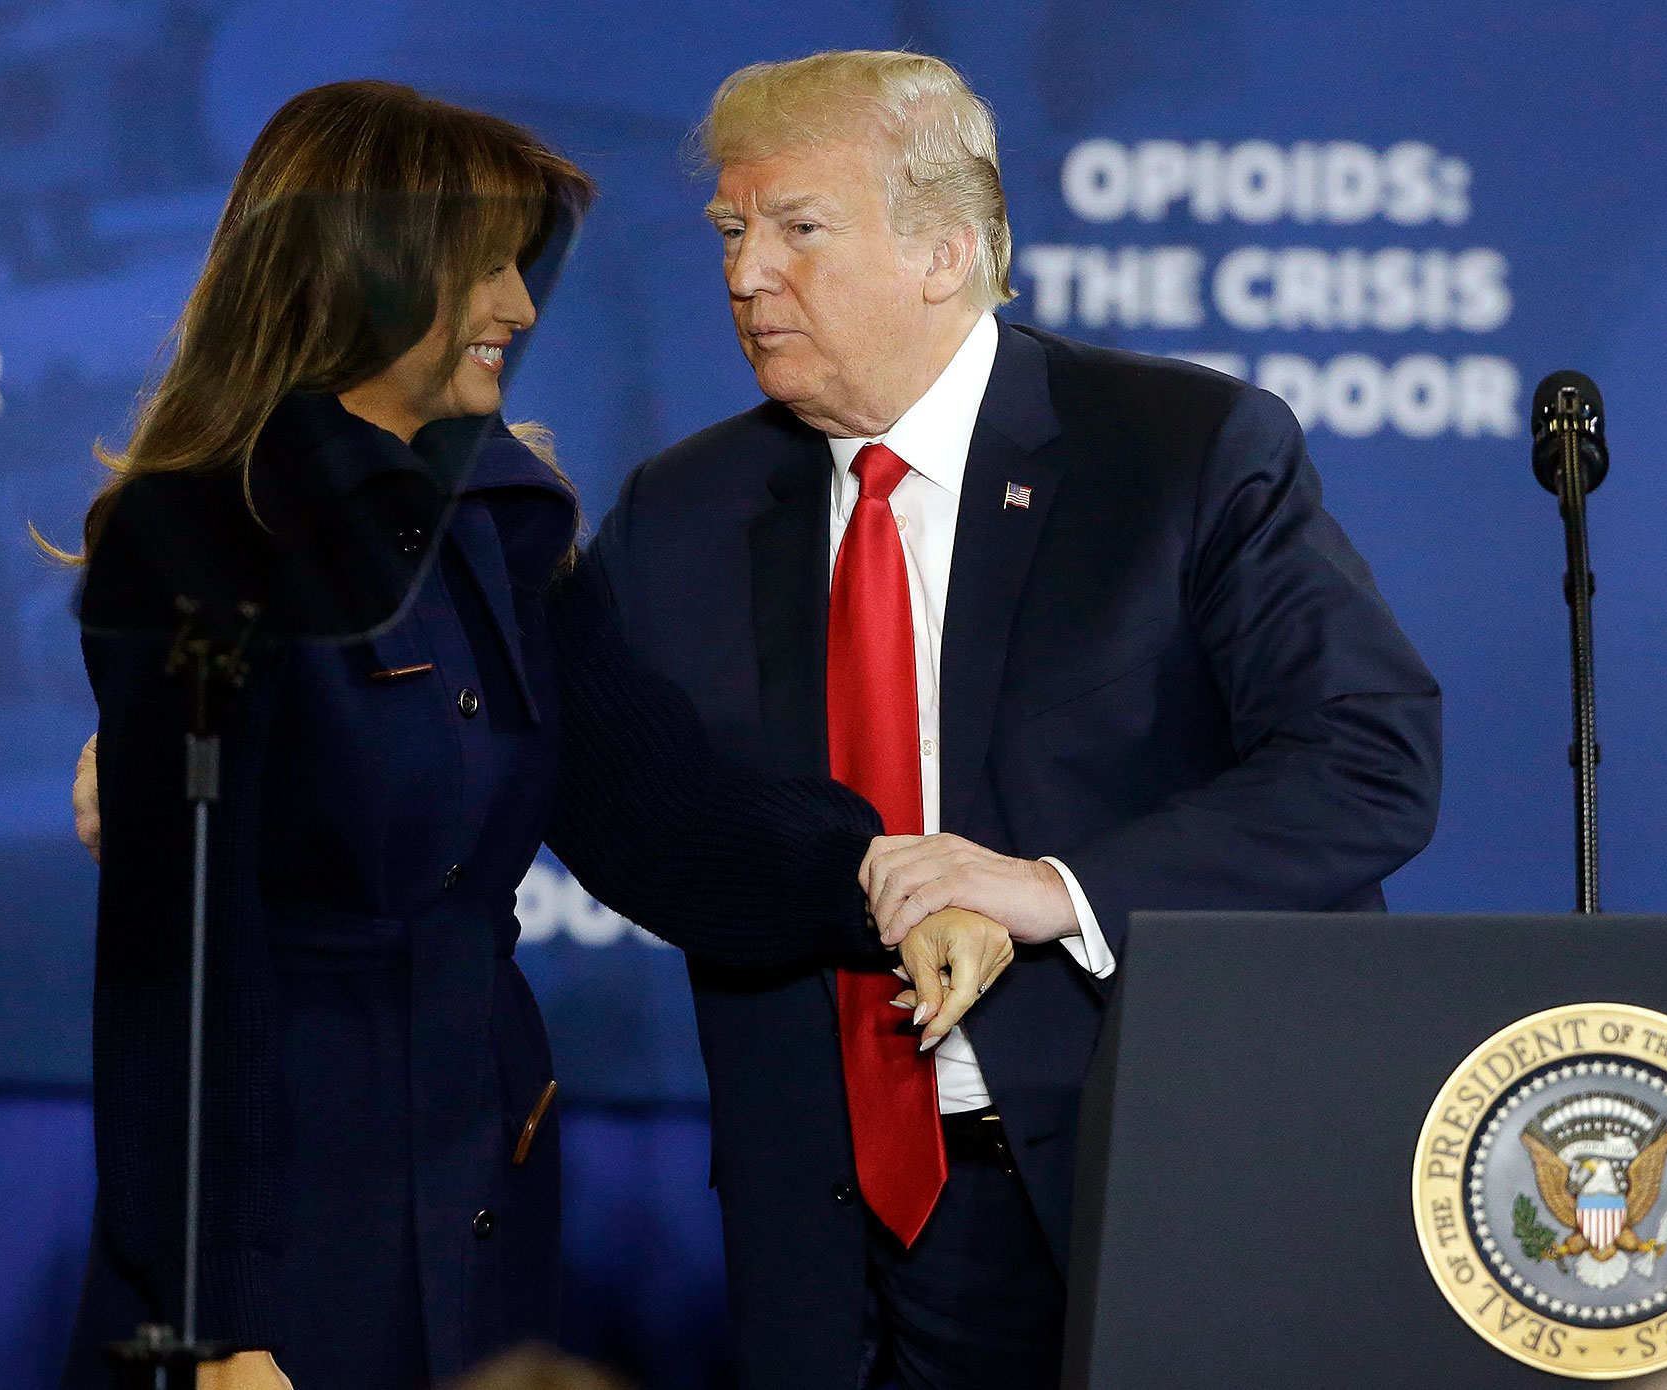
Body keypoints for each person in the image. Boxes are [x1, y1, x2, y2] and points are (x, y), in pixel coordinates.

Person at [61, 80, 1009, 1390]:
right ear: (369, 272)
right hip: (279, 1243)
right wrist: (217, 1322)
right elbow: (174, 974)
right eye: (487, 266)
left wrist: (890, 878)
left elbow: (668, 821)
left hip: (477, 1211)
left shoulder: (503, 527)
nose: (518, 306)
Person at [578, 50, 1443, 1390]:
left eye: (799, 227)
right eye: (732, 232)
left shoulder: (1181, 449)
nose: (748, 275)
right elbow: (587, 781)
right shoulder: (680, 512)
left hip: (1153, 1196)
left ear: (946, 250)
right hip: (827, 1233)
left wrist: (1054, 888)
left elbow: (1369, 761)